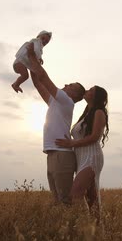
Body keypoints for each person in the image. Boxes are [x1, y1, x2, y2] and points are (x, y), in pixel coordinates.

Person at [27, 46, 86, 205]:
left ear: (74, 95)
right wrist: (32, 66)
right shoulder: (56, 101)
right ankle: (62, 227)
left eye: (70, 85)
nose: (66, 84)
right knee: (57, 200)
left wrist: (32, 56)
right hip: (53, 154)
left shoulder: (66, 101)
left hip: (63, 155)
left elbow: (44, 78)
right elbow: (39, 84)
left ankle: (74, 228)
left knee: (65, 199)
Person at [55, 86, 109, 217]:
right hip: (81, 157)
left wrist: (72, 143)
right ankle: (96, 231)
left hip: (92, 157)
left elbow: (95, 137)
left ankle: (83, 227)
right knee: (92, 199)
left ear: (96, 97)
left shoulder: (99, 112)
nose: (87, 91)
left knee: (75, 194)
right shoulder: (87, 114)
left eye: (91, 91)